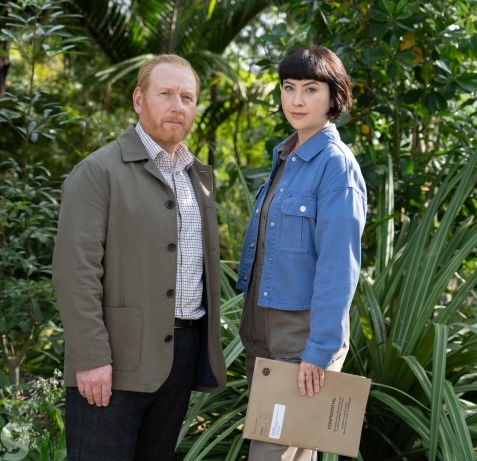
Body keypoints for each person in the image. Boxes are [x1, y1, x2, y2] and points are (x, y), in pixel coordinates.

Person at [52, 54, 226, 461]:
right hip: (114, 361)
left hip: (180, 355)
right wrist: (92, 358)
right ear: (138, 99)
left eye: (188, 97)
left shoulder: (196, 178)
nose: (177, 106)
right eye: (165, 94)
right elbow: (74, 273)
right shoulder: (98, 172)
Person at [236, 45, 367, 460]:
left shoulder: (335, 165)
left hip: (302, 336)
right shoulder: (286, 156)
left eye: (310, 89)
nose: (296, 99)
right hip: (261, 330)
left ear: (334, 97)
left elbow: (338, 265)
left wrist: (320, 350)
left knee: (270, 454)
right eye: (288, 87)